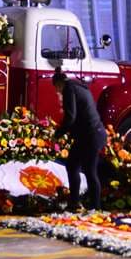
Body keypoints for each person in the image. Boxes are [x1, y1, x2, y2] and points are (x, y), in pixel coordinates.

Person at [52, 67, 107, 211]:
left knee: (90, 170)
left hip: (91, 135)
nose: (58, 92)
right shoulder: (78, 85)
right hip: (89, 134)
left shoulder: (69, 89)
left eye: (57, 89)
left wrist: (58, 134)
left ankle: (96, 207)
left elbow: (71, 116)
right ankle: (74, 203)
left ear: (59, 83)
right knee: (73, 165)